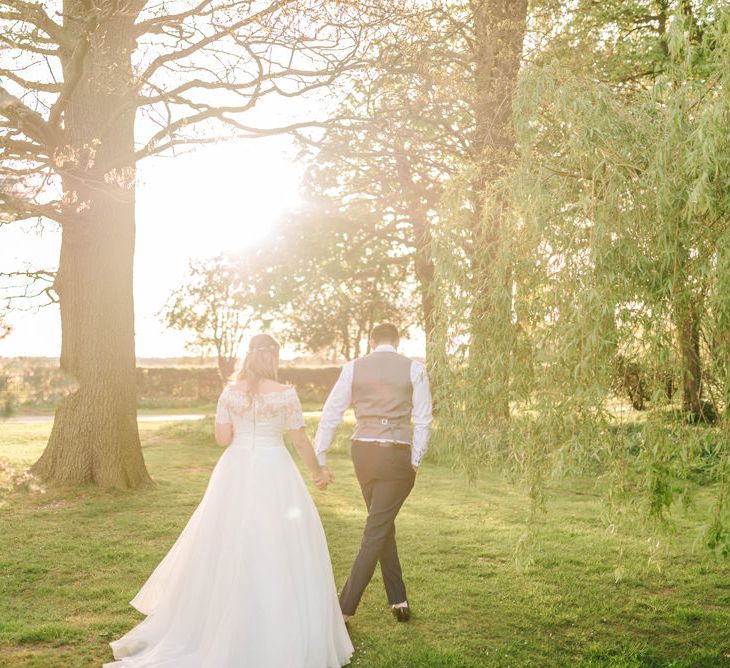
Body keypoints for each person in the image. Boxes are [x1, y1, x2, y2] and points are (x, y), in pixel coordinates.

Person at [105, 334, 353, 668]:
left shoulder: (229, 393)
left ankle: (216, 617)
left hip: (235, 470)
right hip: (275, 469)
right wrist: (318, 472)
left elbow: (223, 439)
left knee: (224, 539)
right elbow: (300, 441)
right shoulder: (286, 395)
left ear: (247, 357)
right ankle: (277, 621)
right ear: (274, 358)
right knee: (279, 542)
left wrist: (241, 426)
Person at [315, 323, 433, 624]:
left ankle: (398, 599)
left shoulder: (353, 367)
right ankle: (345, 609)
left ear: (372, 341)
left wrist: (321, 454)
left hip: (362, 452)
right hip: (395, 454)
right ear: (398, 340)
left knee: (381, 522)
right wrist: (415, 459)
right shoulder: (414, 369)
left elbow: (332, 412)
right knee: (377, 527)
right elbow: (422, 420)